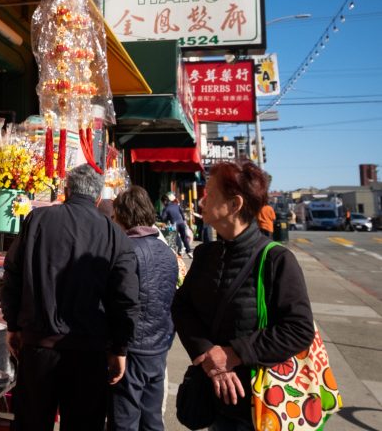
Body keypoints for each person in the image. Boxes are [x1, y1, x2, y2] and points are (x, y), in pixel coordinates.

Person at [172, 161, 315, 431]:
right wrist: (207, 353)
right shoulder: (205, 254)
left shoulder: (277, 259)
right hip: (214, 399)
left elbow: (299, 328)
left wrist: (234, 353)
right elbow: (181, 305)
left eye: (211, 193)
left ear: (235, 204)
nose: (203, 199)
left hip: (260, 406)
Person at [1, 164, 140, 431]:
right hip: (88, 353)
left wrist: (13, 325)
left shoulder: (37, 220)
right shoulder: (114, 235)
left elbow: (12, 275)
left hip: (39, 346)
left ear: (66, 191)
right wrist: (120, 348)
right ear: (98, 198)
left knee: (31, 423)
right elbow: (126, 299)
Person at [110, 186, 177, 431]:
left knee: (124, 420)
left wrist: (118, 348)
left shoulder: (126, 251)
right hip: (158, 347)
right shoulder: (167, 252)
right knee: (151, 420)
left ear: (124, 215)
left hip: (132, 349)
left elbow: (123, 305)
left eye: (115, 215)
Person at [161, 192, 192, 258]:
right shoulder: (176, 205)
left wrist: (166, 218)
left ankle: (179, 251)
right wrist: (184, 221)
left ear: (165, 201)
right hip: (181, 223)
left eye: (162, 203)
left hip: (174, 225)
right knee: (184, 238)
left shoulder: (166, 208)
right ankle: (189, 251)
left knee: (174, 237)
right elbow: (182, 213)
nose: (163, 204)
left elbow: (163, 218)